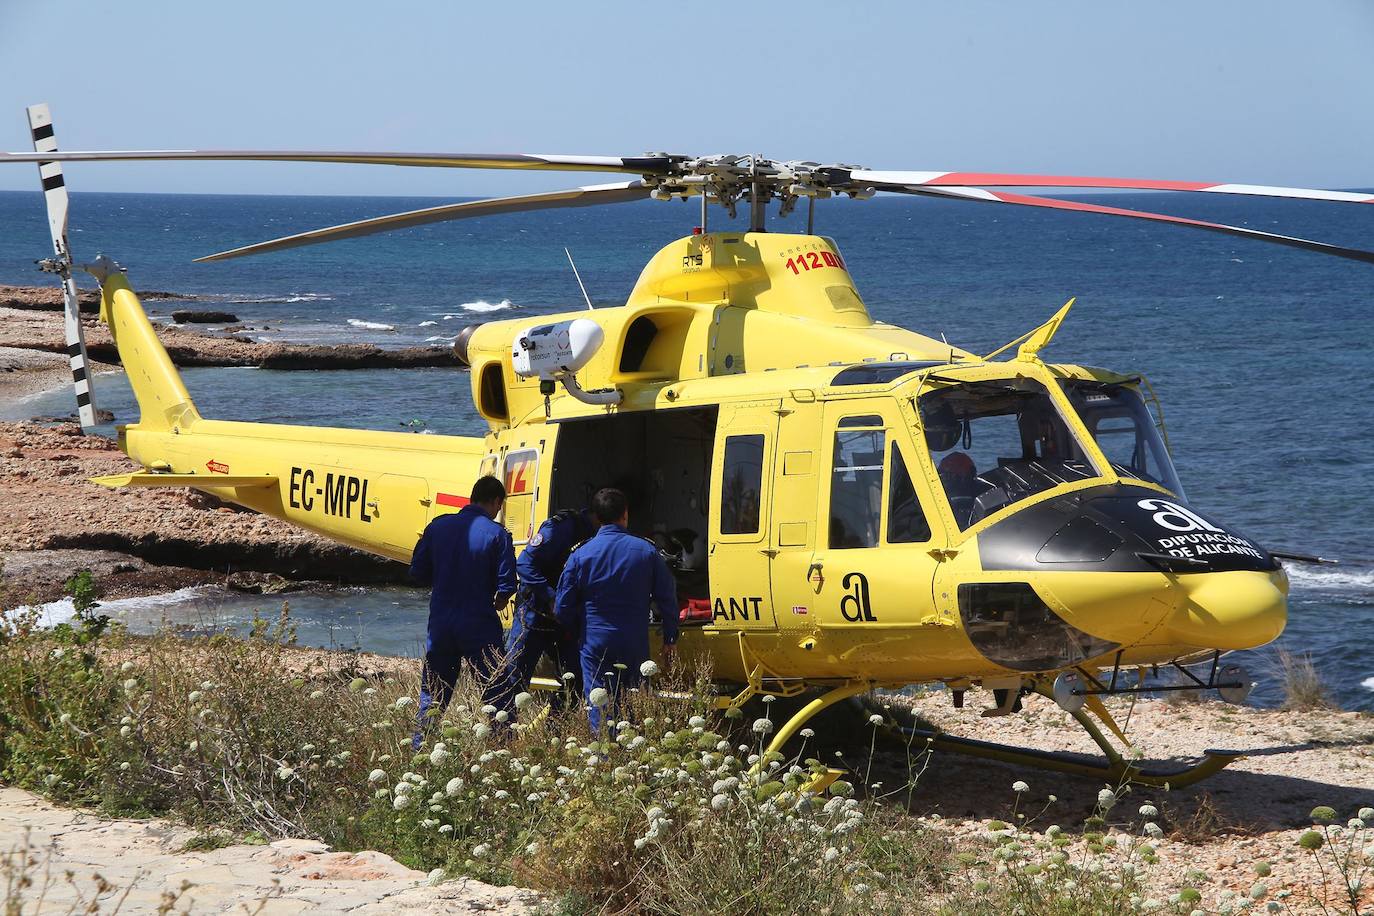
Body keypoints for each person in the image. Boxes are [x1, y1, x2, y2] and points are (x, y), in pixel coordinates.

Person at [554, 487, 678, 732]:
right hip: (634, 642)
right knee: (634, 701)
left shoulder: (581, 554)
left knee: (599, 702)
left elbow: (562, 606)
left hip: (595, 641)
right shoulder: (646, 551)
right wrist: (670, 637)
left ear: (596, 518)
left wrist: (576, 630)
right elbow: (668, 597)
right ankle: (632, 754)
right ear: (625, 514)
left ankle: (604, 757)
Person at [409, 475, 516, 748]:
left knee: (433, 693)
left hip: (442, 623)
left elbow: (417, 573)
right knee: (498, 693)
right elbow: (506, 585)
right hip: (479, 623)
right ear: (496, 502)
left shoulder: (438, 527)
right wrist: (500, 602)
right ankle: (503, 751)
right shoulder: (498, 535)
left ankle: (420, 749)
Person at [503, 506, 597, 707]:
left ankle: (555, 729)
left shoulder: (596, 535)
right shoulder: (559, 528)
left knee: (575, 679)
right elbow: (525, 564)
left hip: (563, 619)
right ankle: (503, 734)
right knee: (514, 678)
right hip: (534, 614)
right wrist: (551, 597)